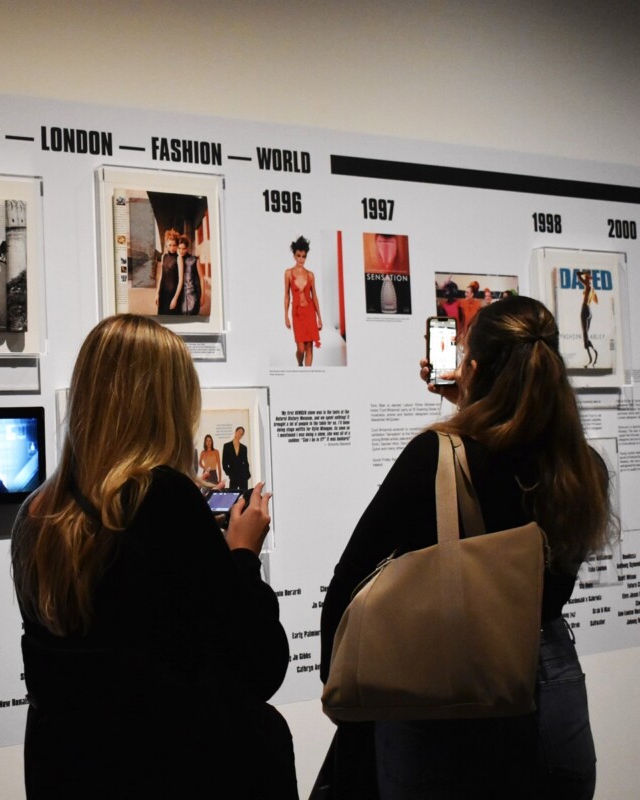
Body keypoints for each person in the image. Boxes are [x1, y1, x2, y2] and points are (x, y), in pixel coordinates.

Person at [320, 295, 611, 799]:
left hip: (452, 704)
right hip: (552, 695)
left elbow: (349, 586)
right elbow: (511, 454)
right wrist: (476, 400)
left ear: (471, 367)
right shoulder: (581, 466)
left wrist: (343, 691)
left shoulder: (434, 456)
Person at [11, 315, 296, 799]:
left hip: (68, 772)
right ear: (166, 404)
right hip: (170, 769)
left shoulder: (38, 512)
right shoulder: (162, 498)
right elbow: (260, 664)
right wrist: (244, 554)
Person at [283, 235, 322, 366]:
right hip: (297, 314)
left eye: (304, 256)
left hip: (310, 312)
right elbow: (287, 295)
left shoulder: (310, 275)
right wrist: (286, 316)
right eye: (298, 256)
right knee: (301, 348)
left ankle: (307, 375)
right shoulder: (288, 273)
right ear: (294, 255)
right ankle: (300, 365)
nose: (301, 259)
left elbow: (314, 296)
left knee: (309, 347)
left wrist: (319, 317)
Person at [155, 228, 183, 315]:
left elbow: (181, 280)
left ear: (177, 245)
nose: (172, 247)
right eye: (170, 245)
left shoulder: (179, 258)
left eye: (174, 245)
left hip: (173, 293)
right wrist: (157, 294)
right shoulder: (164, 257)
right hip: (163, 292)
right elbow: (161, 277)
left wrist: (175, 298)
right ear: (166, 244)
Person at [578, 269, 600, 368]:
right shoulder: (592, 288)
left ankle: (590, 360)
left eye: (586, 277)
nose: (584, 279)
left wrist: (583, 273)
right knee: (586, 334)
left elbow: (578, 275)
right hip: (589, 310)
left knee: (585, 334)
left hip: (585, 309)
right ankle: (593, 358)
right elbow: (596, 301)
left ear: (588, 278)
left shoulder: (587, 286)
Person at [176, 234, 202, 315]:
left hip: (193, 295)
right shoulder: (177, 259)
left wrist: (203, 296)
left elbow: (202, 278)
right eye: (179, 248)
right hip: (181, 296)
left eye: (183, 248)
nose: (181, 251)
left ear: (187, 248)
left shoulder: (194, 259)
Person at [223, 426, 252, 494]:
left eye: (242, 434)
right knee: (232, 496)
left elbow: (246, 462)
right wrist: (229, 473)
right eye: (239, 432)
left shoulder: (244, 448)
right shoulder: (227, 446)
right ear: (235, 432)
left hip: (243, 476)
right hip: (233, 476)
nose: (240, 435)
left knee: (244, 496)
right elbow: (224, 463)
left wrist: (247, 475)